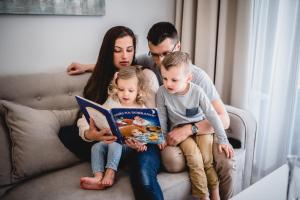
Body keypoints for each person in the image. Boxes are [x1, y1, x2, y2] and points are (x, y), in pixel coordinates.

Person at [66, 22, 235, 200]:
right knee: (174, 160)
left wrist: (188, 129)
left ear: (178, 47)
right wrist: (87, 66)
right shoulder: (147, 65)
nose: (161, 61)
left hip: (200, 127)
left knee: (224, 160)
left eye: (166, 53)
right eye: (155, 54)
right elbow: (122, 64)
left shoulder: (197, 77)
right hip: (161, 132)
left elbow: (224, 119)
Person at [59, 25, 164, 200]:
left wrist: (138, 138)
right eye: (117, 50)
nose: (125, 56)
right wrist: (92, 135)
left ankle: (123, 163)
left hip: (142, 144)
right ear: (109, 51)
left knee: (143, 178)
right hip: (112, 142)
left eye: (130, 50)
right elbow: (88, 116)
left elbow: (155, 118)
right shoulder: (102, 79)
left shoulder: (145, 76)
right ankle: (112, 164)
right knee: (66, 132)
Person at [156, 51, 233, 200]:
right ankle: (203, 196)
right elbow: (161, 117)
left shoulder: (197, 92)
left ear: (188, 78)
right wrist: (161, 137)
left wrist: (223, 140)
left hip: (200, 128)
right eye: (164, 78)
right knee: (195, 159)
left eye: (174, 80)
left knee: (206, 160)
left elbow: (213, 115)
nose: (167, 84)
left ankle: (215, 194)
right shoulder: (161, 93)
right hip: (180, 130)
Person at [79, 66, 149, 190]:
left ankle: (110, 173)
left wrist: (140, 144)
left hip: (128, 146)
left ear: (139, 90)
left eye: (131, 90)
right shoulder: (112, 100)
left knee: (115, 143)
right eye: (121, 89)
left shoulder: (141, 108)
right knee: (96, 147)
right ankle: (98, 177)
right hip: (112, 141)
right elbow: (102, 113)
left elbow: (145, 134)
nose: (125, 94)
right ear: (116, 87)